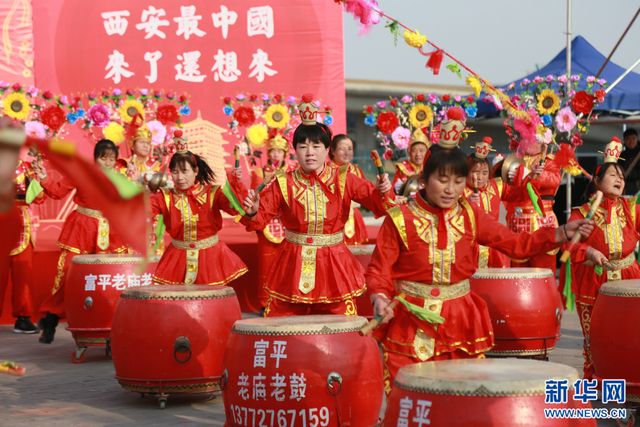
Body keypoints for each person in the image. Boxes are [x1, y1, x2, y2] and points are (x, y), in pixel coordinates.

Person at [365, 108, 594, 394]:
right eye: (443, 180)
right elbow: (379, 269)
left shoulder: (470, 215)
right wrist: (379, 297)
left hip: (460, 318)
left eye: (458, 182)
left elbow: (516, 245)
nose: (451, 190)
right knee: (410, 400)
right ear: (424, 179)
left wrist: (560, 233)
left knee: (460, 399)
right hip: (411, 320)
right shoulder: (399, 218)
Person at [241, 93, 393, 317]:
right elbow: (260, 218)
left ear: (327, 149)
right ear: (295, 151)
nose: (310, 152)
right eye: (303, 147)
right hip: (291, 264)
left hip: (333, 263)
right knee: (282, 326)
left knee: (339, 328)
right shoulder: (284, 182)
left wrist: (383, 191)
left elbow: (379, 204)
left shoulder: (344, 177)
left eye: (316, 146)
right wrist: (253, 211)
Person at [32, 139, 130, 344]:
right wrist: (43, 177)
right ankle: (50, 321)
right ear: (95, 159)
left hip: (111, 233)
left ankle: (112, 325)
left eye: (112, 159)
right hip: (81, 229)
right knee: (68, 276)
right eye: (104, 158)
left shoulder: (121, 179)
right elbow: (58, 191)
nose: (108, 163)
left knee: (112, 277)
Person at [565, 136, 640, 380]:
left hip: (629, 276)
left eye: (621, 176)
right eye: (613, 175)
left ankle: (629, 377)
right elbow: (568, 247)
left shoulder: (631, 209)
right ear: (596, 181)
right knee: (595, 336)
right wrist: (588, 251)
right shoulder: (581, 213)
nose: (619, 179)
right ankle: (595, 379)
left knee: (631, 333)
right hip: (594, 280)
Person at [149, 130, 247, 286]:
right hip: (177, 257)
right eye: (175, 172)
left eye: (184, 171)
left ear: (195, 171)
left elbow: (236, 209)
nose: (179, 177)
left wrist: (236, 185)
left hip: (211, 257)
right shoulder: (165, 197)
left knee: (211, 303)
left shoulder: (212, 193)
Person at [250, 133, 297, 312]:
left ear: (285, 153)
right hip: (267, 223)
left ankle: (288, 302)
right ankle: (265, 303)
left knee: (289, 264)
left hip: (288, 223)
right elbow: (256, 197)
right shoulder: (259, 173)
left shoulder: (293, 171)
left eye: (280, 151)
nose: (276, 155)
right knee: (266, 265)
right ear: (268, 153)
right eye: (272, 151)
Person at [463, 137, 525, 268]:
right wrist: (466, 203)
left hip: (494, 245)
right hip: (469, 246)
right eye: (475, 172)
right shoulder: (460, 189)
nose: (480, 177)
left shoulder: (495, 185)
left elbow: (518, 193)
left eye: (484, 173)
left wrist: (530, 177)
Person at [0, 157, 45, 333]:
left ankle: (23, 318)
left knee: (23, 274)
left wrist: (39, 177)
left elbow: (38, 197)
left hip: (22, 223)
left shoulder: (27, 167)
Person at [504, 142, 561, 274]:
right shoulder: (515, 160)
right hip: (518, 222)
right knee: (518, 272)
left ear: (542, 142)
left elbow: (555, 180)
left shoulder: (549, 161)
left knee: (543, 271)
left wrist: (530, 174)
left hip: (541, 221)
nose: (527, 142)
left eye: (531, 138)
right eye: (524, 138)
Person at [329, 134, 368, 245]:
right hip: (333, 219)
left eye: (350, 149)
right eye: (342, 149)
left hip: (355, 217)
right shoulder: (326, 171)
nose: (347, 153)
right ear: (332, 150)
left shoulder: (357, 170)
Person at [391, 129, 429, 197]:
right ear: (410, 152)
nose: (418, 154)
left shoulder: (432, 168)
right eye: (414, 151)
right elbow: (393, 193)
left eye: (421, 150)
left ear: (427, 152)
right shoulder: (402, 168)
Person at [619, 128, 640, 195]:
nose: (631, 141)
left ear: (637, 138)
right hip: (627, 188)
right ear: (624, 140)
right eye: (628, 139)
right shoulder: (622, 156)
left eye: (633, 138)